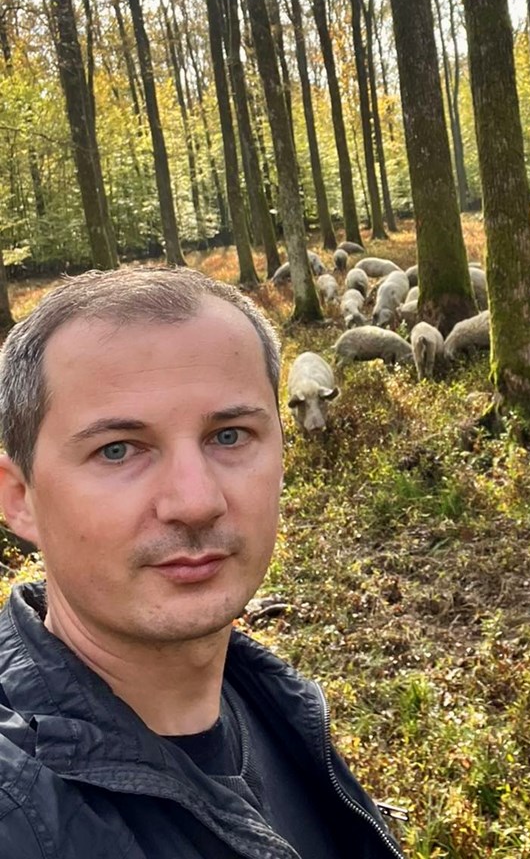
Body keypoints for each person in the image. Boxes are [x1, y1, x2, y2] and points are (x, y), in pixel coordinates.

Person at [0, 266, 405, 859]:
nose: (195, 502)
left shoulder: (276, 706)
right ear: (20, 498)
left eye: (230, 436)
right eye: (117, 450)